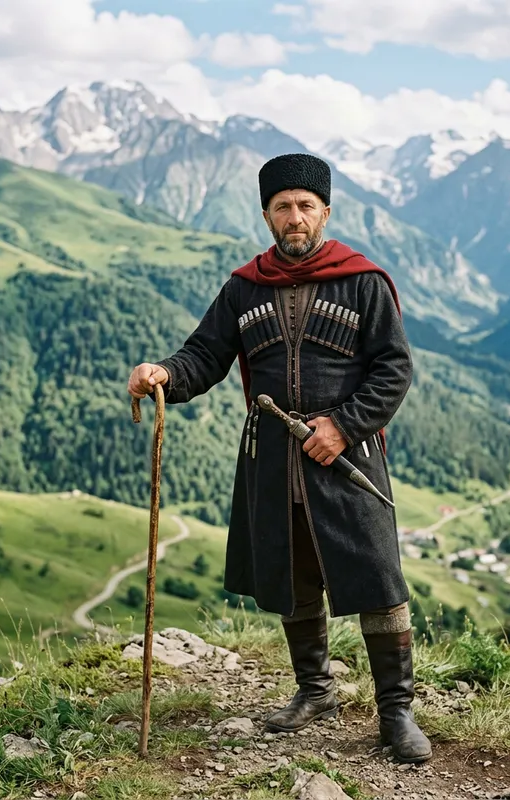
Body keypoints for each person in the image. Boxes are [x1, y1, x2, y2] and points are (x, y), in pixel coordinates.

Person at [127, 153, 432, 763]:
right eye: (283, 207)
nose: (295, 217)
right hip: (272, 459)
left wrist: (343, 426)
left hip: (349, 457)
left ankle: (396, 712)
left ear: (326, 211)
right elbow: (204, 356)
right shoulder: (244, 287)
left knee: (377, 578)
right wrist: (164, 373)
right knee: (292, 576)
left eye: (306, 206)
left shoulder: (363, 281)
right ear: (267, 214)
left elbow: (394, 367)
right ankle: (315, 692)